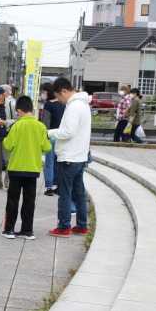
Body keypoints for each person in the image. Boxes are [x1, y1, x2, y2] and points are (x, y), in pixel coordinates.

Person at [1, 96, 52, 240]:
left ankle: (9, 229)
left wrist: (6, 138)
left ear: (18, 110)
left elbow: (8, 145)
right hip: (33, 170)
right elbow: (47, 147)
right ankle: (27, 230)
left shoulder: (16, 126)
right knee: (29, 201)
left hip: (16, 169)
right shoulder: (41, 126)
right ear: (31, 109)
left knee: (13, 200)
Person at [46, 78, 91, 237]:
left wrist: (48, 133)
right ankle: (81, 225)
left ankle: (64, 227)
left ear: (63, 91)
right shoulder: (84, 104)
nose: (59, 100)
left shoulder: (74, 106)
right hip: (80, 156)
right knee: (79, 192)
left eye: (58, 97)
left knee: (65, 193)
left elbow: (68, 132)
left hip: (69, 156)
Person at [40, 82, 63, 196]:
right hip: (61, 137)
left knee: (49, 163)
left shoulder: (48, 105)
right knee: (58, 163)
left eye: (43, 92)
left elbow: (45, 123)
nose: (42, 94)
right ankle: (57, 185)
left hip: (50, 136)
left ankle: (49, 187)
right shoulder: (63, 104)